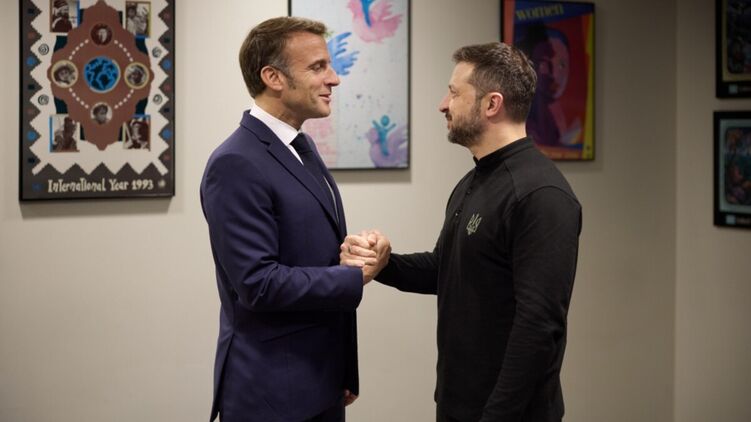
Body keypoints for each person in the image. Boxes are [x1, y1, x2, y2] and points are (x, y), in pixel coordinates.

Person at [342, 42, 582, 422]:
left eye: (454, 93)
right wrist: (383, 263)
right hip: (459, 405)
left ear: (492, 104)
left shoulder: (541, 194)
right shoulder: (475, 179)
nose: (443, 104)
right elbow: (447, 269)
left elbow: (538, 327)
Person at [200, 16, 374, 422]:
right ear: (273, 77)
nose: (334, 79)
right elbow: (258, 284)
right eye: (317, 67)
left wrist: (354, 251)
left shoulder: (301, 145)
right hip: (273, 396)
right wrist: (352, 276)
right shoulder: (235, 163)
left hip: (321, 380)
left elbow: (311, 252)